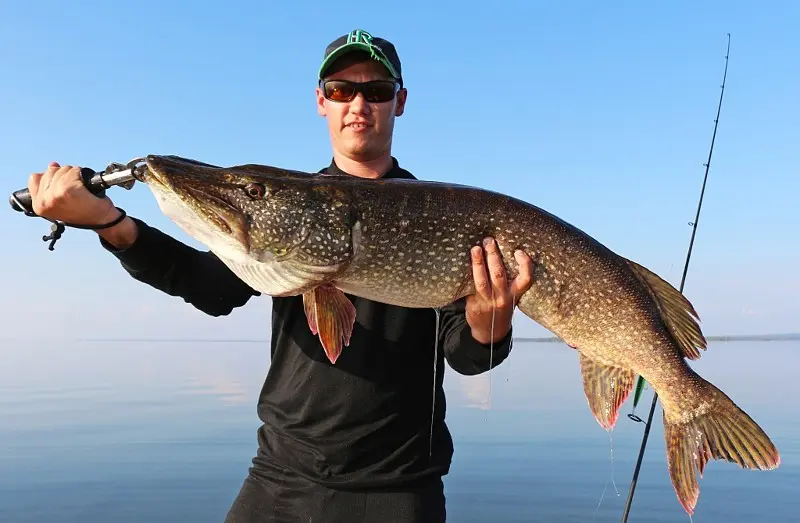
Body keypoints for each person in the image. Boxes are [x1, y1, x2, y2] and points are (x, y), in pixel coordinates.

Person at [27, 29, 534, 523]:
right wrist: (110, 225)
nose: (358, 105)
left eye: (376, 91)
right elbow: (211, 287)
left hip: (399, 491)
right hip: (281, 479)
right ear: (322, 101)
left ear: (398, 102)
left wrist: (490, 322)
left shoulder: (441, 218)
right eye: (341, 90)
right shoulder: (295, 209)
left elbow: (467, 355)